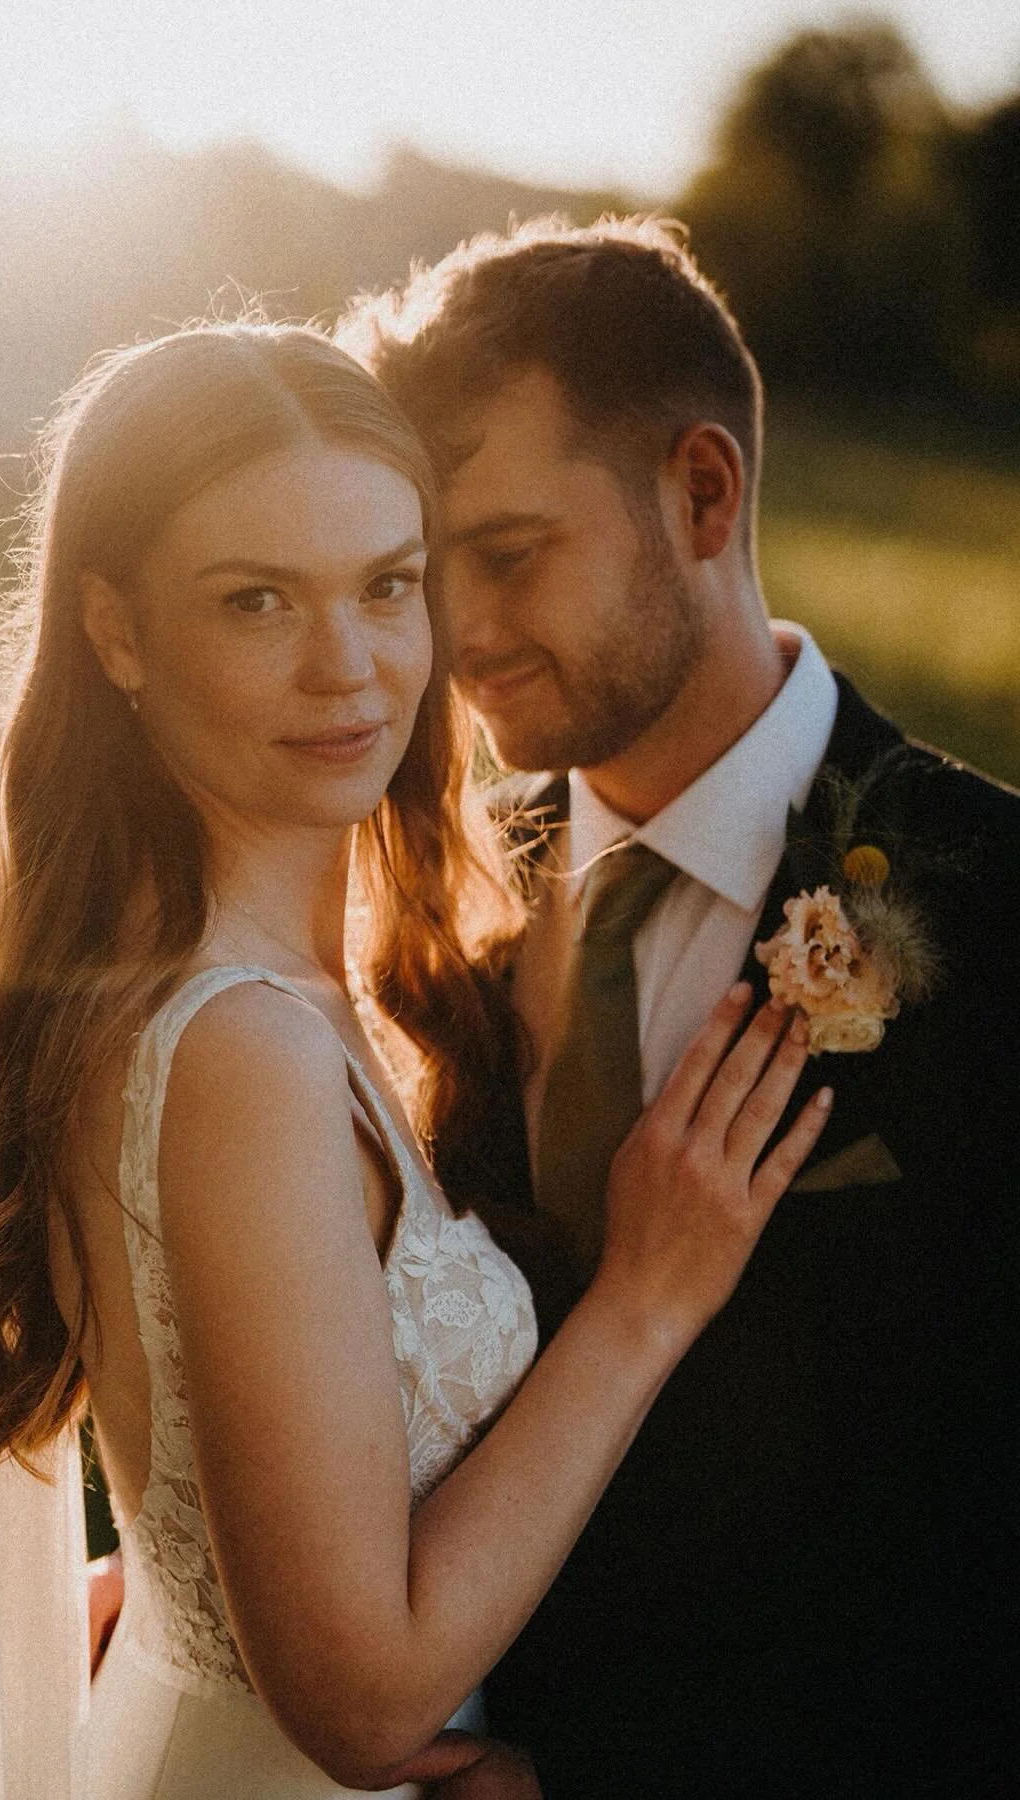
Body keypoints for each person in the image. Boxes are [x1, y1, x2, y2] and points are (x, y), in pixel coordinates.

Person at [0, 321, 832, 1800]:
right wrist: (644, 1301)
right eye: (256, 603)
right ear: (115, 633)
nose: (348, 668)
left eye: (387, 586)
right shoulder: (240, 1049)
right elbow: (359, 1703)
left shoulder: (286, 982)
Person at [341, 216, 1020, 1797]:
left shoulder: (995, 909)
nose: (461, 638)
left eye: (507, 557)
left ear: (702, 492)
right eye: (428, 575)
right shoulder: (441, 888)